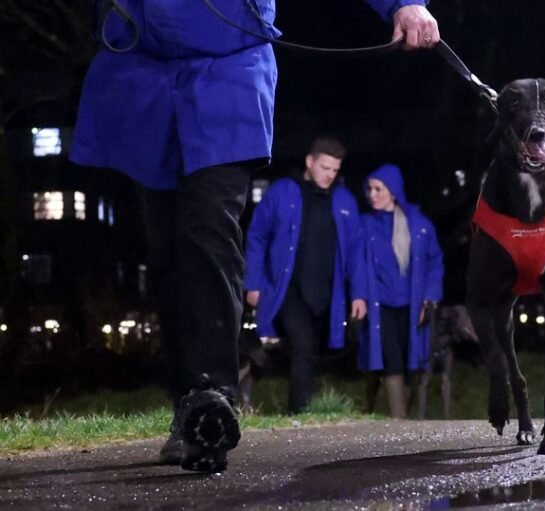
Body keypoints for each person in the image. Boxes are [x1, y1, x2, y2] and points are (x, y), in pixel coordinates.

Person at [69, 0, 440, 472]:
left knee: (207, 229)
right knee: (166, 253)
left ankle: (213, 395)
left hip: (228, 71)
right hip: (144, 73)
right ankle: (189, 403)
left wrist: (402, 3)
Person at [244, 137, 366, 414]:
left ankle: (309, 403)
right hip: (286, 287)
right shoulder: (281, 193)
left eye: (335, 170)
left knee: (314, 349)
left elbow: (357, 250)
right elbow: (257, 237)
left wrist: (358, 293)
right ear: (310, 162)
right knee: (303, 343)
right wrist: (253, 283)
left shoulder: (344, 200)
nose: (329, 175)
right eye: (325, 168)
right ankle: (300, 411)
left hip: (327, 292)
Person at [358, 163, 444, 418]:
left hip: (411, 305)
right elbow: (357, 264)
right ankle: (399, 421)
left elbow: (434, 262)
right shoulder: (365, 225)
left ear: (393, 191)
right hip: (380, 304)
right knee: (390, 359)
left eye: (378, 189)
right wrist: (359, 295)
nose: (371, 194)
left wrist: (429, 299)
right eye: (369, 189)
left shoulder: (418, 225)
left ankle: (398, 414)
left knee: (411, 361)